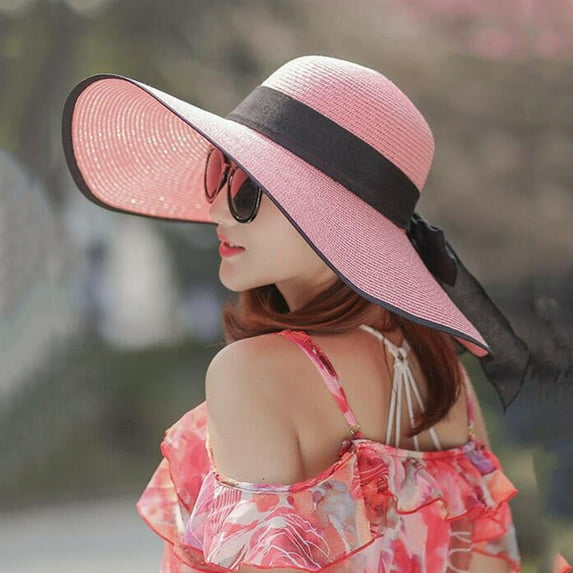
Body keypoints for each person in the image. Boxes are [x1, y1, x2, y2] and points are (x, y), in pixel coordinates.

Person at [62, 55, 571, 572]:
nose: (215, 209)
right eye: (219, 172)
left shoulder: (254, 373)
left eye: (246, 187)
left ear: (326, 210)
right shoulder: (446, 380)